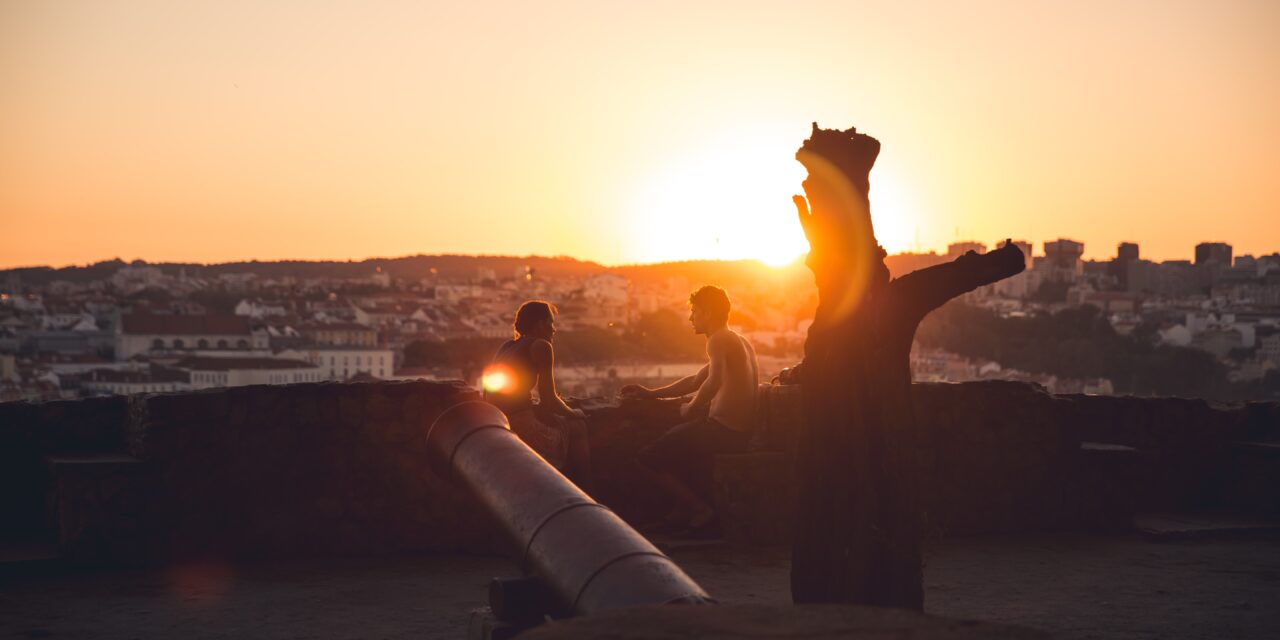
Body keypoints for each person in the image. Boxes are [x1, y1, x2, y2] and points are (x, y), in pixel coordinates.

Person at [620, 285, 759, 534]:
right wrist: (652, 393)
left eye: (694, 311)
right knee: (679, 448)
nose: (690, 317)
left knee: (648, 457)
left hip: (723, 430)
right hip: (739, 431)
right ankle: (681, 512)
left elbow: (713, 382)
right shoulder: (737, 340)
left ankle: (698, 509)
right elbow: (696, 380)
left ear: (706, 312)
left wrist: (692, 408)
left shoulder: (717, 340)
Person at [485, 300, 592, 490]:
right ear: (540, 324)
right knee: (578, 427)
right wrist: (575, 413)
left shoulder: (507, 346)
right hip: (521, 425)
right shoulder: (541, 346)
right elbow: (549, 401)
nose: (554, 329)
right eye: (551, 323)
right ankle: (584, 489)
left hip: (498, 422)